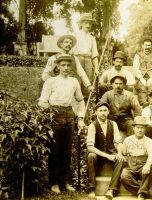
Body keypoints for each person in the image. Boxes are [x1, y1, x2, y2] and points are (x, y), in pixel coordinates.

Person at [38, 54, 86, 194]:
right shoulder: (51, 81)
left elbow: (80, 100)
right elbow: (42, 101)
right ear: (57, 66)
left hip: (69, 114)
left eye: (68, 65)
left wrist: (81, 117)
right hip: (55, 114)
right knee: (55, 150)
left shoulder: (74, 81)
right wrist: (48, 111)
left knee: (67, 151)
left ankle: (64, 181)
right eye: (63, 65)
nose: (65, 68)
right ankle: (53, 183)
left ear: (71, 67)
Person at [86, 101, 125, 199]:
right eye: (100, 111)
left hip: (111, 152)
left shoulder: (113, 124)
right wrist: (107, 156)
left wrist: (119, 152)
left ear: (108, 112)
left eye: (105, 110)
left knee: (120, 159)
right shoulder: (92, 126)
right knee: (91, 156)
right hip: (98, 155)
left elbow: (118, 142)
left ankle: (112, 190)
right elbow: (90, 147)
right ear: (96, 112)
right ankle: (91, 188)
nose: (103, 113)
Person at [120, 116, 152, 200]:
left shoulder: (149, 141)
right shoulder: (127, 140)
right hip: (131, 167)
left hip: (143, 168)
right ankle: (144, 193)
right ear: (133, 128)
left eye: (142, 128)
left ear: (145, 129)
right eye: (138, 127)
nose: (140, 130)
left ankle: (142, 193)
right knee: (124, 176)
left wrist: (147, 165)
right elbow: (124, 153)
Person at [73, 13, 99, 96]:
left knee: (88, 81)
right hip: (77, 58)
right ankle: (75, 101)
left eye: (90, 23)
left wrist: (96, 68)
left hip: (88, 60)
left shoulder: (92, 38)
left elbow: (94, 54)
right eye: (86, 23)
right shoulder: (75, 35)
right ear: (81, 24)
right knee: (77, 80)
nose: (88, 25)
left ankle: (86, 102)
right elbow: (71, 50)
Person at [133, 36, 152, 106]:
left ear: (151, 46)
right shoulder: (137, 55)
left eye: (149, 45)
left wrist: (151, 78)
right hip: (141, 77)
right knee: (142, 87)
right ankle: (144, 103)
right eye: (145, 45)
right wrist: (141, 78)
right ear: (142, 46)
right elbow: (135, 68)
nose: (147, 47)